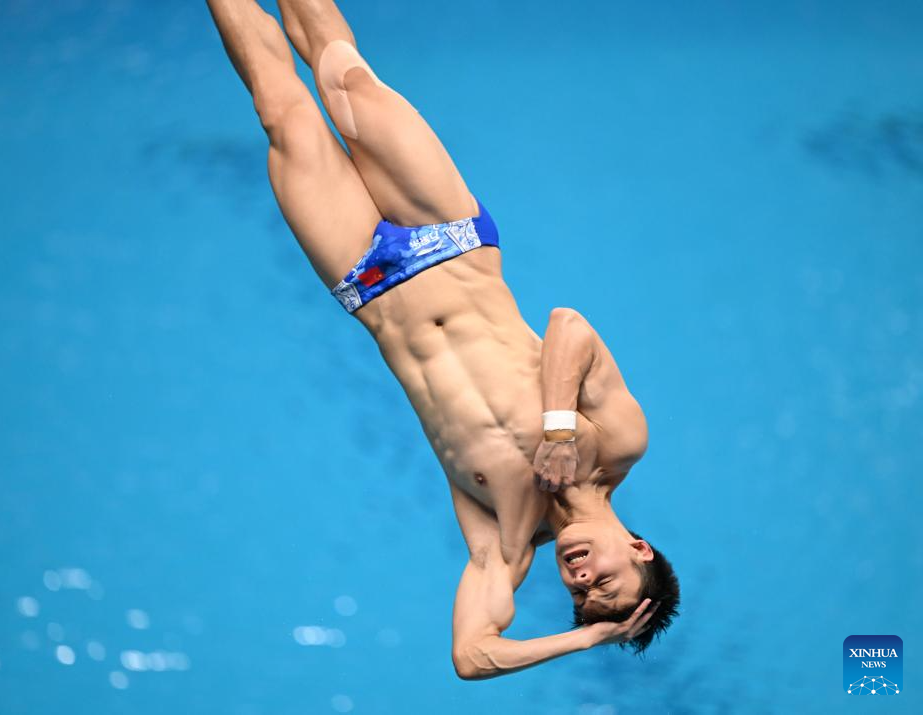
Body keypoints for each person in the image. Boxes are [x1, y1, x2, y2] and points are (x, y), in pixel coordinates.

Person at [206, 0, 680, 679]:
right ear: (638, 548)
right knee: (343, 78)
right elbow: (569, 325)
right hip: (448, 238)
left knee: (282, 111)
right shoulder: (619, 444)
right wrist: (557, 429)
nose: (582, 581)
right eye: (605, 583)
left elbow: (471, 655)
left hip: (366, 281)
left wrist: (586, 638)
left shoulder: (505, 541)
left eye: (580, 597)